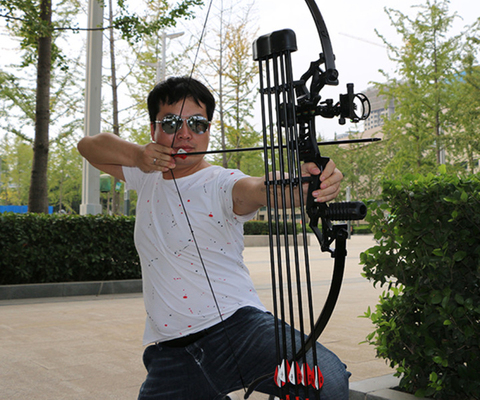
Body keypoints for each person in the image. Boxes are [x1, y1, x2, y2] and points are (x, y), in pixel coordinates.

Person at [77, 76, 350, 400]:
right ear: (154, 129)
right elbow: (88, 146)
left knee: (326, 377)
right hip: (172, 353)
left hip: (238, 330)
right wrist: (137, 155)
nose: (184, 134)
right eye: (171, 122)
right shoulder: (145, 174)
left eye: (197, 123)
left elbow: (262, 189)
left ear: (208, 131)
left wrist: (310, 185)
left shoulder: (221, 182)